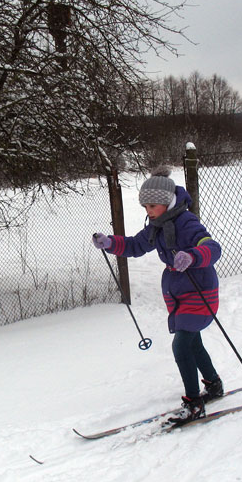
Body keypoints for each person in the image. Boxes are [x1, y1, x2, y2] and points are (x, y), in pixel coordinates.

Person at [92, 166, 224, 424]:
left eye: (152, 206)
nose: (148, 211)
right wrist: (110, 243)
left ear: (166, 202)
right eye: (145, 207)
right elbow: (135, 245)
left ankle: (194, 403)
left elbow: (212, 248)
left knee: (182, 345)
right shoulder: (157, 226)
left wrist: (193, 256)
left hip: (200, 291)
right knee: (192, 342)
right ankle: (214, 384)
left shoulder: (187, 222)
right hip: (179, 291)